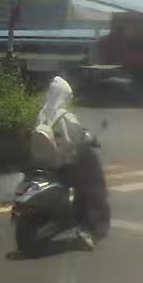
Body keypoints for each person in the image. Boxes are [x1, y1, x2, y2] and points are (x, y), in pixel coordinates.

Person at [32, 77, 101, 250]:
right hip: (63, 166)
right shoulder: (65, 116)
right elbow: (77, 137)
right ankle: (84, 230)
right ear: (63, 96)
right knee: (87, 189)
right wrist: (88, 138)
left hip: (42, 165)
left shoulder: (42, 113)